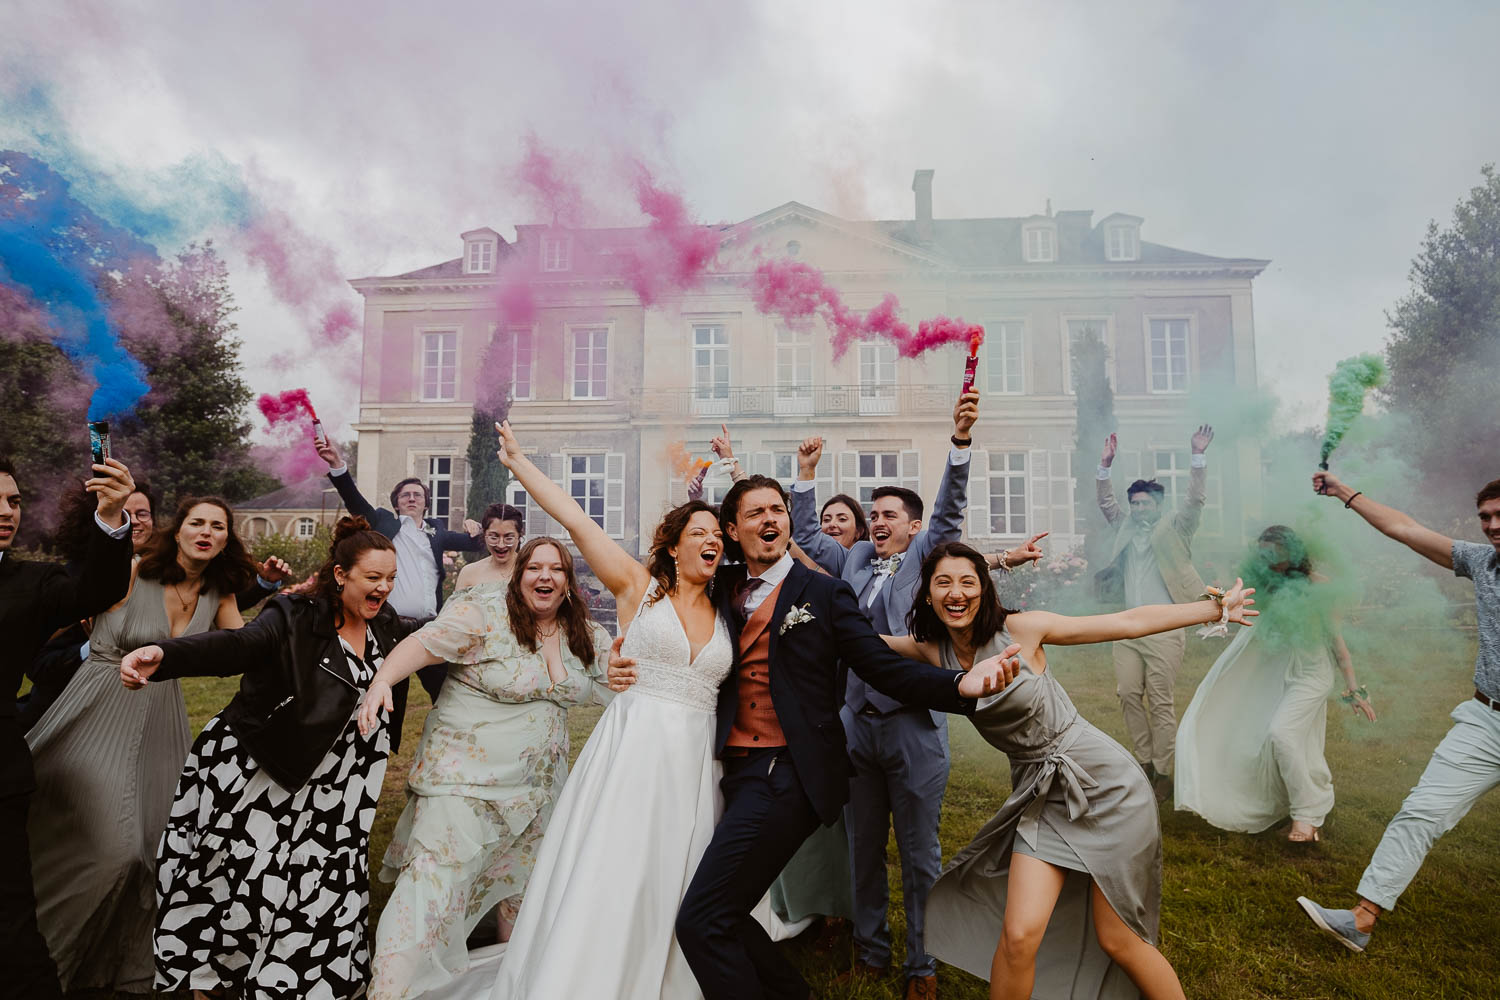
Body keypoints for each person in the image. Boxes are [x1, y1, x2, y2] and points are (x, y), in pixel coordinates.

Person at [607, 468, 1016, 1000]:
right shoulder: (723, 587)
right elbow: (667, 611)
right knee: (727, 914)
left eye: (777, 509)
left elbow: (879, 665)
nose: (770, 519)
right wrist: (618, 663)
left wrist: (959, 684)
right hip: (729, 771)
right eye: (755, 513)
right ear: (734, 530)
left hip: (789, 775)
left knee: (701, 922)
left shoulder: (824, 592)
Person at [887, 541, 1255, 1000]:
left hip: (1103, 784)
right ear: (927, 595)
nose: (956, 593)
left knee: (1118, 937)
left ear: (985, 590)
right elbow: (860, 645)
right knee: (1019, 937)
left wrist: (1210, 610)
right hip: (1039, 797)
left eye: (968, 581)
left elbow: (1125, 622)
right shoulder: (930, 651)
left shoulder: (1022, 629)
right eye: (943, 582)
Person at [119, 516, 419, 998]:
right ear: (341, 575)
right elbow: (237, 645)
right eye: (373, 578)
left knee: (323, 894)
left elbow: (430, 645)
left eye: (390, 579)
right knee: (240, 885)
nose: (383, 588)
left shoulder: (386, 626)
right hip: (267, 773)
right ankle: (211, 982)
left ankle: (298, 986)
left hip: (339, 791)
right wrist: (165, 656)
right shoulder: (294, 615)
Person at [788, 390, 1026, 999]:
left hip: (914, 726)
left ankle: (922, 965)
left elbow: (949, 512)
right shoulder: (857, 560)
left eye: (890, 514)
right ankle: (871, 952)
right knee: (863, 849)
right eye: (874, 513)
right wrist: (806, 476)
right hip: (855, 727)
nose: (878, 521)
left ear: (914, 526)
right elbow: (812, 540)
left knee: (920, 854)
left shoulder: (926, 554)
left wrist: (960, 442)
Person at [361, 535, 613, 1000]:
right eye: (534, 567)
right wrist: (382, 682)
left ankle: (511, 983)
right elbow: (423, 644)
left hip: (535, 788)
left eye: (556, 569)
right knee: (431, 886)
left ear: (568, 583)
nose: (545, 576)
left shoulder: (582, 631)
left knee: (523, 887)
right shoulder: (484, 614)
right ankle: (389, 991)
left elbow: (618, 677)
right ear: (518, 577)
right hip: (463, 782)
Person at [25, 495, 259, 994]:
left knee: (157, 851)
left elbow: (245, 651)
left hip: (160, 720)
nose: (207, 532)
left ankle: (119, 971)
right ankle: (46, 964)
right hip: (98, 706)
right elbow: (55, 622)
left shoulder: (221, 592)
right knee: (114, 850)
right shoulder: (133, 570)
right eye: (197, 522)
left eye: (218, 526)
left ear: (226, 539)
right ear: (177, 531)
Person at [1296, 473, 1500, 954]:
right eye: (1486, 517)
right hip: (1486, 719)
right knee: (1420, 811)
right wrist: (1345, 493)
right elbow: (1404, 529)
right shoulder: (1481, 562)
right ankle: (1360, 920)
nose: (1492, 526)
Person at [0, 453, 135, 1000]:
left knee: (9, 922)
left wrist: (111, 514)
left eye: (12, 500)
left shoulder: (32, 582)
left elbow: (97, 590)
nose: (6, 511)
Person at [1177, 526, 1374, 842]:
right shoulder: (1264, 584)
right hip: (1276, 673)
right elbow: (1231, 605)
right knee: (1265, 738)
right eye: (1263, 550)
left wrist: (1354, 689)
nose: (1267, 556)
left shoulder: (1318, 587)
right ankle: (1285, 800)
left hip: (1312, 675)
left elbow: (1337, 642)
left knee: (1281, 735)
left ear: (1291, 551)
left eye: (1274, 550)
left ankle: (1307, 817)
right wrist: (1216, 601)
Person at [1095, 425, 1215, 802]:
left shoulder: (1177, 528)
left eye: (1145, 504)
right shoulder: (1125, 526)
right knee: (1129, 694)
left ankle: (1164, 773)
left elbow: (1195, 500)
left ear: (1158, 505)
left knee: (1161, 700)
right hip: (1127, 627)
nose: (1139, 509)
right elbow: (1106, 504)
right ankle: (1144, 763)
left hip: (1165, 628)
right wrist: (1105, 465)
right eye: (1136, 504)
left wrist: (1197, 455)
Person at [317, 438, 484, 700]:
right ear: (396, 503)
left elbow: (479, 543)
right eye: (405, 495)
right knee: (389, 692)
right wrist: (338, 465)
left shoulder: (436, 532)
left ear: (425, 503)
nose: (411, 498)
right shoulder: (384, 522)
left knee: (446, 693)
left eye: (417, 494)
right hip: (390, 626)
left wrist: (478, 528)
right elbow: (355, 501)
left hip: (431, 626)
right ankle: (384, 740)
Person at [452, 503, 525, 591]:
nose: (501, 545)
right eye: (494, 537)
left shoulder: (530, 570)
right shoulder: (469, 573)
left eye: (508, 538)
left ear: (519, 536)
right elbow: (458, 605)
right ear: (484, 535)